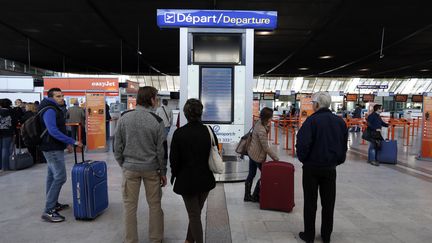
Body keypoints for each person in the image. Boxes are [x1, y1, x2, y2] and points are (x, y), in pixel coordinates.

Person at [114, 86, 167, 243]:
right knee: (155, 205)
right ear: (151, 99)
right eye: (156, 97)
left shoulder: (124, 118)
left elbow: (117, 146)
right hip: (151, 170)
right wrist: (163, 172)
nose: (157, 100)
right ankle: (156, 238)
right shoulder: (157, 121)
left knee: (130, 206)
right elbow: (161, 151)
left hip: (130, 169)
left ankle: (130, 240)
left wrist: (123, 164)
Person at [296, 92, 348, 243]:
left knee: (310, 203)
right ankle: (326, 236)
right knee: (328, 203)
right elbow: (343, 145)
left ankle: (309, 235)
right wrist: (337, 161)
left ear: (317, 105)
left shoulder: (311, 121)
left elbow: (303, 143)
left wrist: (304, 159)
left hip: (311, 168)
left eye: (313, 103)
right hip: (330, 169)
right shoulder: (339, 122)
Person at [169, 98, 218, 243]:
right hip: (205, 180)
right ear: (200, 113)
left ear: (185, 114)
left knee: (194, 214)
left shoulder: (179, 134)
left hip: (187, 181)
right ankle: (188, 240)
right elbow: (215, 151)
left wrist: (174, 175)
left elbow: (174, 161)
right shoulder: (208, 131)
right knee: (195, 213)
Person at [39, 88, 83, 223]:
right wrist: (72, 141)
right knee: (60, 177)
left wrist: (66, 144)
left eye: (62, 95)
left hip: (53, 146)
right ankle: (48, 210)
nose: (62, 98)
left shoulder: (53, 108)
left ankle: (53, 203)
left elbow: (57, 129)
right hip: (51, 148)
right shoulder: (50, 109)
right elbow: (52, 130)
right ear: (51, 97)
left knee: (52, 176)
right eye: (58, 96)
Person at [244, 107, 279, 202]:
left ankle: (247, 196)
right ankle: (255, 196)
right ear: (267, 118)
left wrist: (267, 126)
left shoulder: (258, 122)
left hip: (252, 152)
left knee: (251, 174)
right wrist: (276, 158)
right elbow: (266, 147)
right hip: (257, 156)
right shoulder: (261, 130)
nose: (271, 119)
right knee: (265, 175)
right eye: (271, 117)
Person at [0, 99, 18, 171]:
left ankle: (1, 166)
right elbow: (15, 122)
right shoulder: (12, 111)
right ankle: (5, 167)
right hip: (8, 132)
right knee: (6, 148)